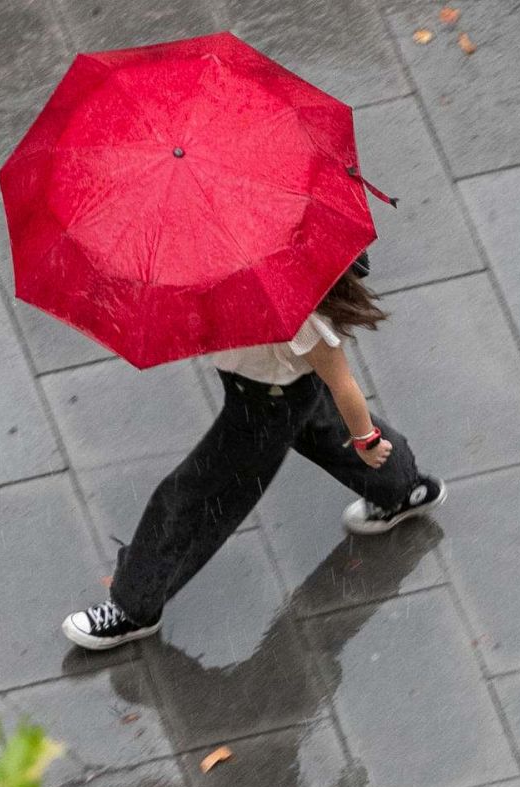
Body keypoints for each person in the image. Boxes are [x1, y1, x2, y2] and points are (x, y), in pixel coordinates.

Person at [62, 253, 447, 650]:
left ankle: (133, 606)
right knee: (320, 428)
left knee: (191, 498)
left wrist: (367, 440)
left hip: (265, 406)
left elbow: (343, 384)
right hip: (273, 389)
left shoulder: (302, 319)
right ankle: (404, 489)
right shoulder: (240, 271)